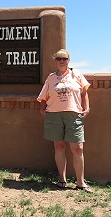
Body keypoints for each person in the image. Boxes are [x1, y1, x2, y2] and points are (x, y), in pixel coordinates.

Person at [37, 49, 92, 193]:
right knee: (59, 147)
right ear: (55, 61)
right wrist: (43, 110)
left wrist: (86, 109)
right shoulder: (51, 78)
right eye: (59, 58)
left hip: (74, 114)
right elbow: (43, 96)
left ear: (69, 60)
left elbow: (84, 92)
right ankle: (62, 179)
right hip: (54, 115)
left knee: (77, 148)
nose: (62, 61)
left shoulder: (76, 75)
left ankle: (81, 182)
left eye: (64, 58)